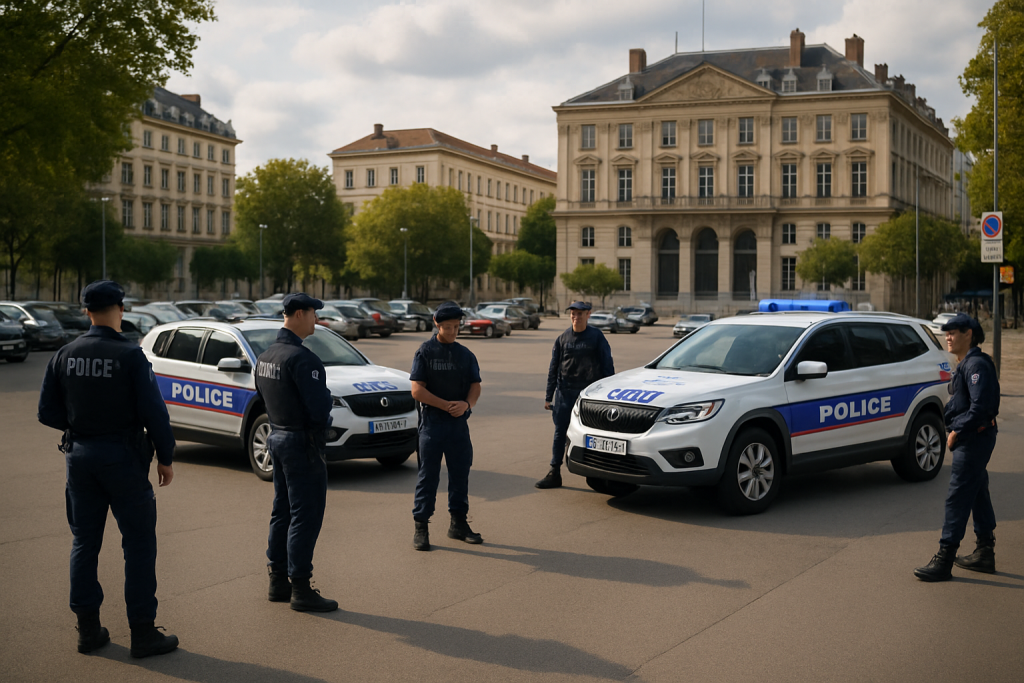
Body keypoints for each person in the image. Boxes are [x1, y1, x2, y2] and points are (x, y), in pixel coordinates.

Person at [37, 280, 179, 657]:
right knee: (138, 544)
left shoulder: (65, 353)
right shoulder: (130, 355)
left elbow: (45, 411)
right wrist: (165, 456)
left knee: (84, 542)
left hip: (80, 457)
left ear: (86, 311)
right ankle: (143, 633)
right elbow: (154, 412)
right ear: (119, 309)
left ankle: (87, 630)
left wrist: (79, 426)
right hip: (124, 459)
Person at [255, 293, 337, 611]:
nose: (317, 319)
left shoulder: (266, 356)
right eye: (314, 313)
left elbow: (262, 395)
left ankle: (278, 581)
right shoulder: (303, 360)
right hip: (303, 444)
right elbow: (319, 409)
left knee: (283, 511)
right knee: (306, 515)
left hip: (278, 437)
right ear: (300, 314)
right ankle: (301, 587)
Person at [914, 313, 1000, 582]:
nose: (948, 337)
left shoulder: (976, 366)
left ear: (969, 334)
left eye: (954, 332)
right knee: (976, 491)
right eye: (946, 332)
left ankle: (944, 558)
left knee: (958, 495)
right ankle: (985, 551)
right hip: (975, 436)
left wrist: (957, 431)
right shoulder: (969, 363)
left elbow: (981, 408)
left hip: (973, 437)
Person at [410, 301, 483, 551]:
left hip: (458, 425)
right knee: (427, 477)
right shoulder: (425, 352)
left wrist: (467, 404)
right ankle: (421, 527)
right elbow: (417, 390)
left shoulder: (465, 354)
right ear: (436, 324)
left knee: (460, 475)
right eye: (447, 327)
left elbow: (475, 385)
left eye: (456, 326)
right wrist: (445, 405)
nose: (452, 331)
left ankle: (458, 524)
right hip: (432, 424)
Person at [535, 301, 615, 489]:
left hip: (588, 395)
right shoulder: (563, 338)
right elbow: (553, 368)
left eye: (580, 313)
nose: (576, 316)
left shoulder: (596, 337)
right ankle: (554, 472)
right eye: (573, 313)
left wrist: (608, 395)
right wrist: (549, 396)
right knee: (559, 433)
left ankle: (601, 473)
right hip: (564, 394)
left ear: (588, 314)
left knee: (595, 434)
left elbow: (607, 366)